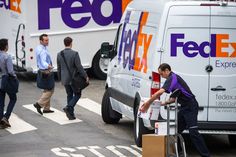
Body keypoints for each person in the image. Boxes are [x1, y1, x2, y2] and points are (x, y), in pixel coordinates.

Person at [140, 63, 210, 157]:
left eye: (161, 74)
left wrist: (147, 103)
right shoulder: (173, 80)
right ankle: (180, 153)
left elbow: (159, 93)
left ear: (167, 71)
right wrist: (160, 104)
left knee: (193, 132)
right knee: (175, 131)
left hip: (191, 106)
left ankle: (206, 155)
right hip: (184, 107)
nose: (161, 76)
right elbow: (172, 99)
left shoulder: (172, 78)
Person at [57, 37, 89, 120]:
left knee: (69, 94)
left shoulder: (59, 54)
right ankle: (69, 107)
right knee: (78, 94)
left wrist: (60, 79)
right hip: (73, 79)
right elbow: (79, 67)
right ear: (71, 43)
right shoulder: (75, 54)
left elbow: (59, 68)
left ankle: (70, 114)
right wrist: (85, 76)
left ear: (64, 43)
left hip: (64, 79)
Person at [33, 34, 54, 115]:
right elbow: (43, 61)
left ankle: (46, 108)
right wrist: (48, 66)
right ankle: (39, 104)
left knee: (46, 89)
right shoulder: (42, 50)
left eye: (47, 40)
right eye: (45, 40)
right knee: (50, 89)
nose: (47, 41)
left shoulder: (39, 47)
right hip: (46, 70)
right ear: (41, 41)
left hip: (42, 70)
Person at [0, 38, 18, 129]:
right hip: (7, 80)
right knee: (13, 98)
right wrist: (15, 77)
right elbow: (10, 71)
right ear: (6, 46)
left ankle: (0, 119)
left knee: (1, 101)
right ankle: (6, 117)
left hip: (0, 80)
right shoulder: (7, 56)